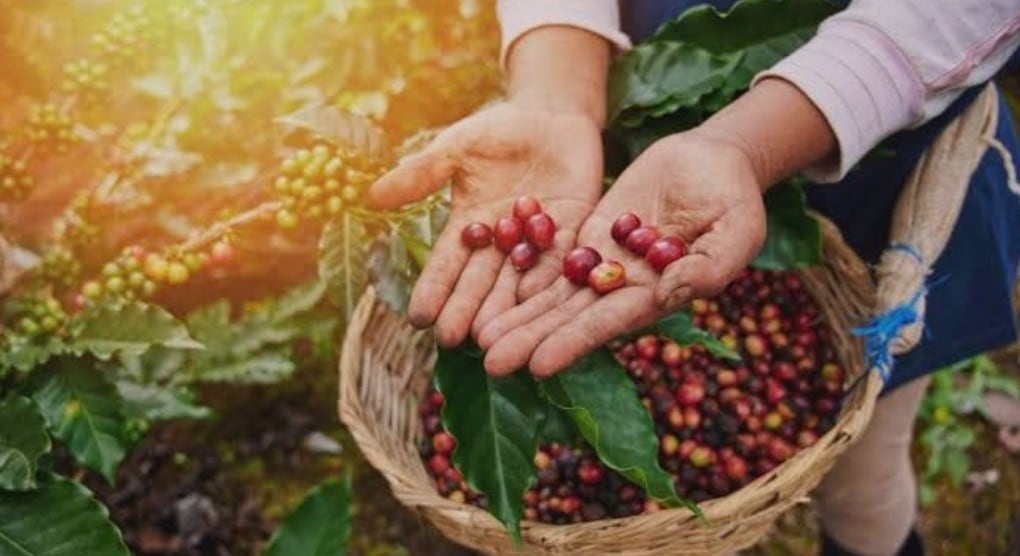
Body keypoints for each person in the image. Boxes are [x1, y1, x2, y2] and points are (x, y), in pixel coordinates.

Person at [369, 1, 1020, 554]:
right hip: (647, 129)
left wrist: (748, 144)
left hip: (885, 136)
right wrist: (557, 90)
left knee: (863, 476)